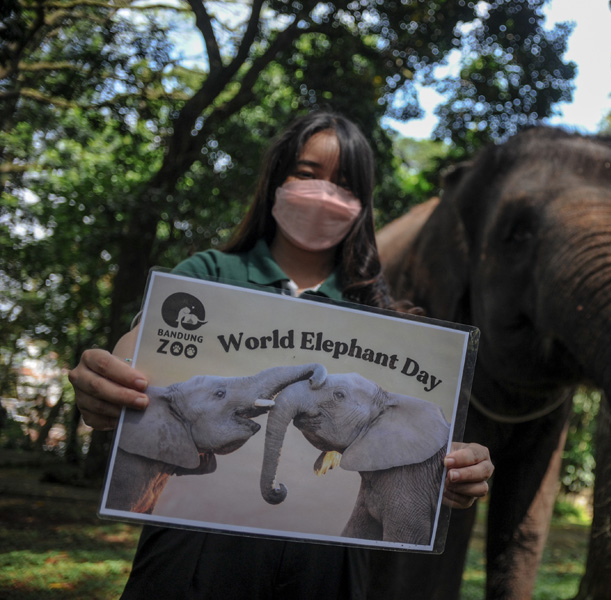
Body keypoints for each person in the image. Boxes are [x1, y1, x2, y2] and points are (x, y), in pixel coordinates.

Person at [69, 110, 493, 599]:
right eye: (307, 175)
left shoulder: (382, 315)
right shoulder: (207, 273)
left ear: (362, 205)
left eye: (345, 185)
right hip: (191, 554)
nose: (324, 195)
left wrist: (459, 470)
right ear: (276, 179)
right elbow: (136, 359)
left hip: (327, 566)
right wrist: (105, 383)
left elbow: (426, 454)